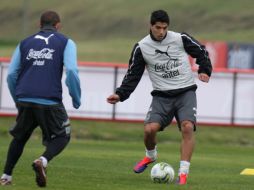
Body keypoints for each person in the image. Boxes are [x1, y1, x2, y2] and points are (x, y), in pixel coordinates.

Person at [107, 10, 212, 185]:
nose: (161, 32)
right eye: (158, 28)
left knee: (187, 127)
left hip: (186, 91)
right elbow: (133, 75)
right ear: (151, 26)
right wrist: (120, 94)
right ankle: (150, 156)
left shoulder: (180, 38)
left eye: (164, 28)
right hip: (161, 96)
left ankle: (183, 174)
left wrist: (204, 70)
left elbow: (201, 52)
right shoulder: (142, 47)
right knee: (149, 130)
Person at [0, 11, 81, 187]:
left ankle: (6, 176)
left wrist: (18, 100)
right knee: (62, 136)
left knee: (20, 137)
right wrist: (76, 98)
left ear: (40, 25)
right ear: (58, 25)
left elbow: (11, 75)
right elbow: (72, 72)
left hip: (25, 98)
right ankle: (42, 161)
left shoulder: (24, 43)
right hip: (49, 100)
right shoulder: (66, 42)